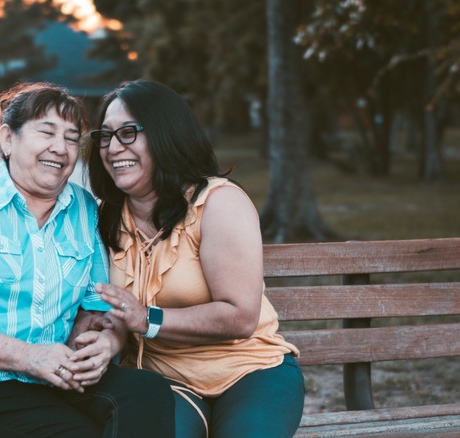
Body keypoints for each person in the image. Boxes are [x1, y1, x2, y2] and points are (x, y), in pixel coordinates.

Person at [0, 82, 175, 438]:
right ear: (8, 138)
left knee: (146, 393)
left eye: (72, 138)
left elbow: (96, 308)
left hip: (56, 380)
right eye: (47, 132)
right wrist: (30, 357)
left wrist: (99, 343)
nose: (61, 147)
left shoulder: (84, 209)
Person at [86, 79, 305, 438]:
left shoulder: (217, 203)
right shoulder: (104, 217)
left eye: (128, 132)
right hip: (163, 380)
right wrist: (104, 335)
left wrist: (147, 318)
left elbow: (239, 316)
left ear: (165, 134)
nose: (112, 148)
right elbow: (107, 310)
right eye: (105, 136)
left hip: (249, 372)